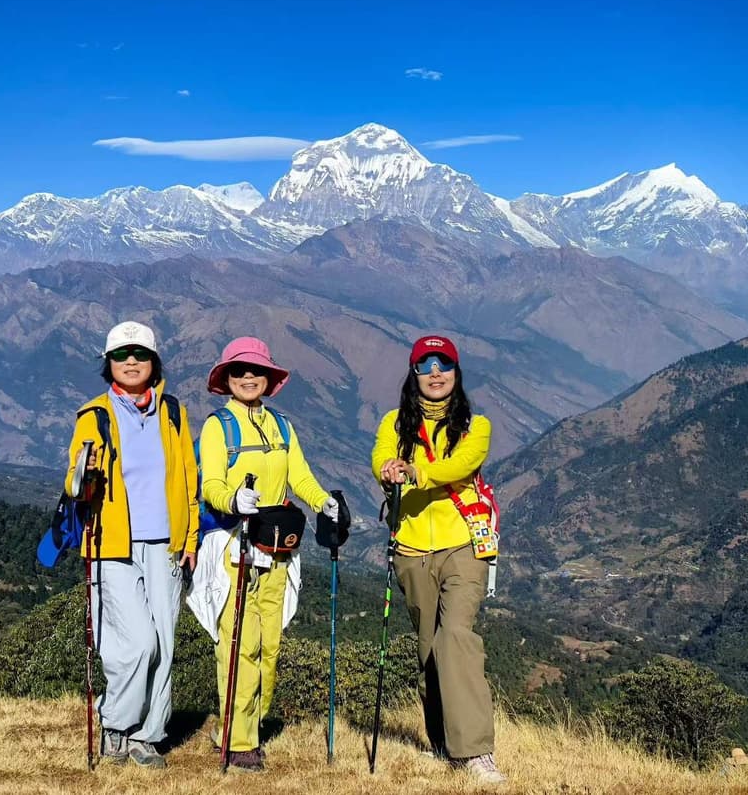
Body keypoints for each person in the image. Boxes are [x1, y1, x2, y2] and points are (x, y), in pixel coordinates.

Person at [186, 336, 339, 772]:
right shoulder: (219, 427)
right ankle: (238, 741)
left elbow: (300, 476)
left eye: (257, 371)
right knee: (239, 645)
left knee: (269, 647)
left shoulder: (282, 427)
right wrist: (234, 499)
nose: (248, 377)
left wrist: (322, 501)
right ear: (227, 379)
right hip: (232, 549)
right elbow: (210, 484)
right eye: (239, 371)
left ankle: (244, 726)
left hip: (277, 551)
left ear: (270, 379)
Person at [371, 334, 506, 785]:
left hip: (463, 545)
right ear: (413, 372)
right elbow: (379, 459)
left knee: (455, 637)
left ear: (456, 372)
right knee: (429, 649)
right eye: (426, 364)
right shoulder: (394, 423)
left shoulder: (475, 425)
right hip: (411, 549)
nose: (435, 372)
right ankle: (443, 744)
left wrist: (415, 471)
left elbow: (461, 465)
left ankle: (476, 751)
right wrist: (388, 468)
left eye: (443, 364)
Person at [64, 321, 199, 767]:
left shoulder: (173, 412)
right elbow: (75, 479)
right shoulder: (95, 415)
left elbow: (188, 480)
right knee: (136, 643)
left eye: (140, 354)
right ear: (109, 364)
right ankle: (116, 723)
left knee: (163, 643)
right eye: (122, 356)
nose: (131, 362)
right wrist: (83, 476)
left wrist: (190, 537)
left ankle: (148, 735)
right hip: (110, 546)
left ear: (154, 361)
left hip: (166, 545)